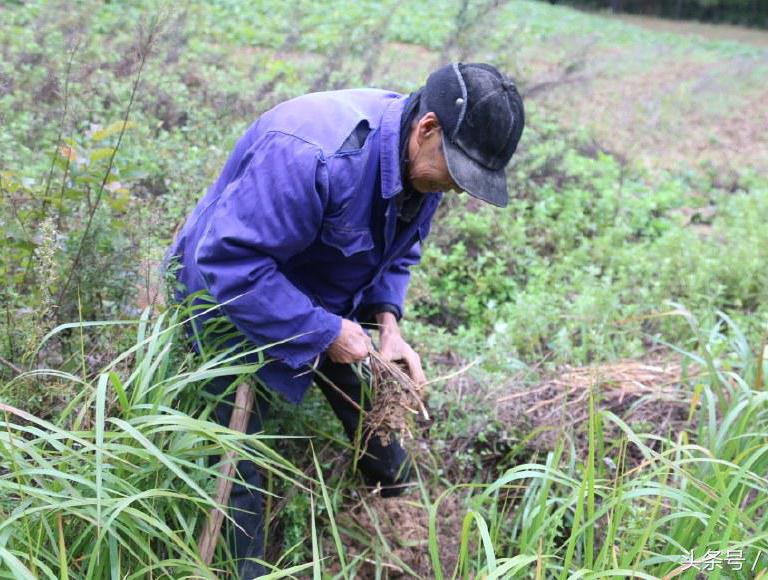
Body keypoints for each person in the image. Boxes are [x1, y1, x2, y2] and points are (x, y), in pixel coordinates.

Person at [165, 62, 524, 577]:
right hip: (227, 300)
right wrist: (326, 331)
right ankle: (239, 566)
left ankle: (395, 502)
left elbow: (398, 250)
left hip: (317, 285)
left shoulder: (417, 165)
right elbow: (228, 264)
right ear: (428, 129)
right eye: (458, 173)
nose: (459, 190)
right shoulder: (311, 153)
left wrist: (387, 324)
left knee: (368, 389)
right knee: (238, 473)